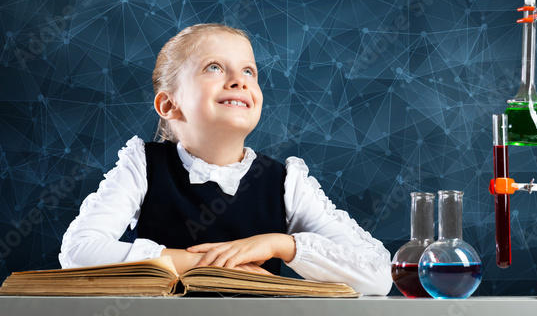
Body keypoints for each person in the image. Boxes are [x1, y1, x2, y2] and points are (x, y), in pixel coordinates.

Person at [59, 23, 392, 295]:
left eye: (249, 71)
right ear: (168, 105)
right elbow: (78, 252)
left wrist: (280, 245)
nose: (239, 80)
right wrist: (198, 264)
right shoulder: (142, 165)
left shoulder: (286, 182)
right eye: (214, 67)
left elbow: (377, 275)